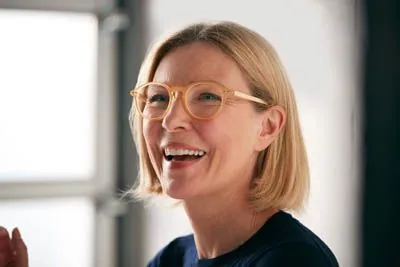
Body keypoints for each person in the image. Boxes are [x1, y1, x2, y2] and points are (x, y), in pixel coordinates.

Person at [129, 21, 339, 267]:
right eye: (158, 97)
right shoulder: (171, 259)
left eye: (207, 96)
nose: (171, 120)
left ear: (267, 127)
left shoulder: (294, 260)